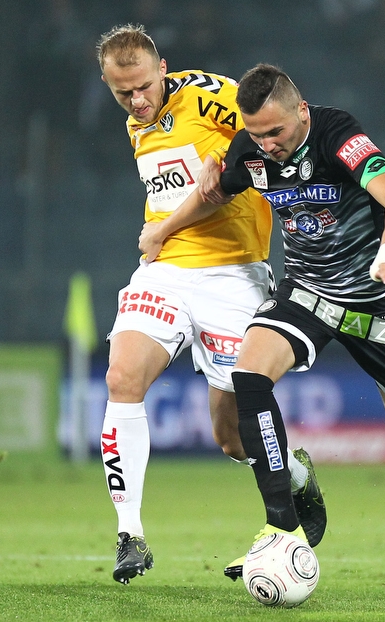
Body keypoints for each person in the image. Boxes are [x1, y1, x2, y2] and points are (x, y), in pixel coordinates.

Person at [151, 63, 385, 580]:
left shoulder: (337, 134)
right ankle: (283, 526)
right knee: (248, 376)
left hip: (374, 297)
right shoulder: (250, 149)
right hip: (307, 294)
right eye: (256, 134)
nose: (268, 145)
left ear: (300, 111)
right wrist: (162, 229)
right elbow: (214, 191)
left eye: (276, 131)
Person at [95, 26, 327, 585]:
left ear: (164, 68)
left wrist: (232, 155)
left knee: (230, 435)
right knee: (122, 377)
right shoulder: (137, 123)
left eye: (145, 88)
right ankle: (131, 535)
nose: (138, 102)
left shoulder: (208, 94)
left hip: (234, 274)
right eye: (122, 93)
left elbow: (282, 125)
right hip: (166, 269)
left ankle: (296, 477)